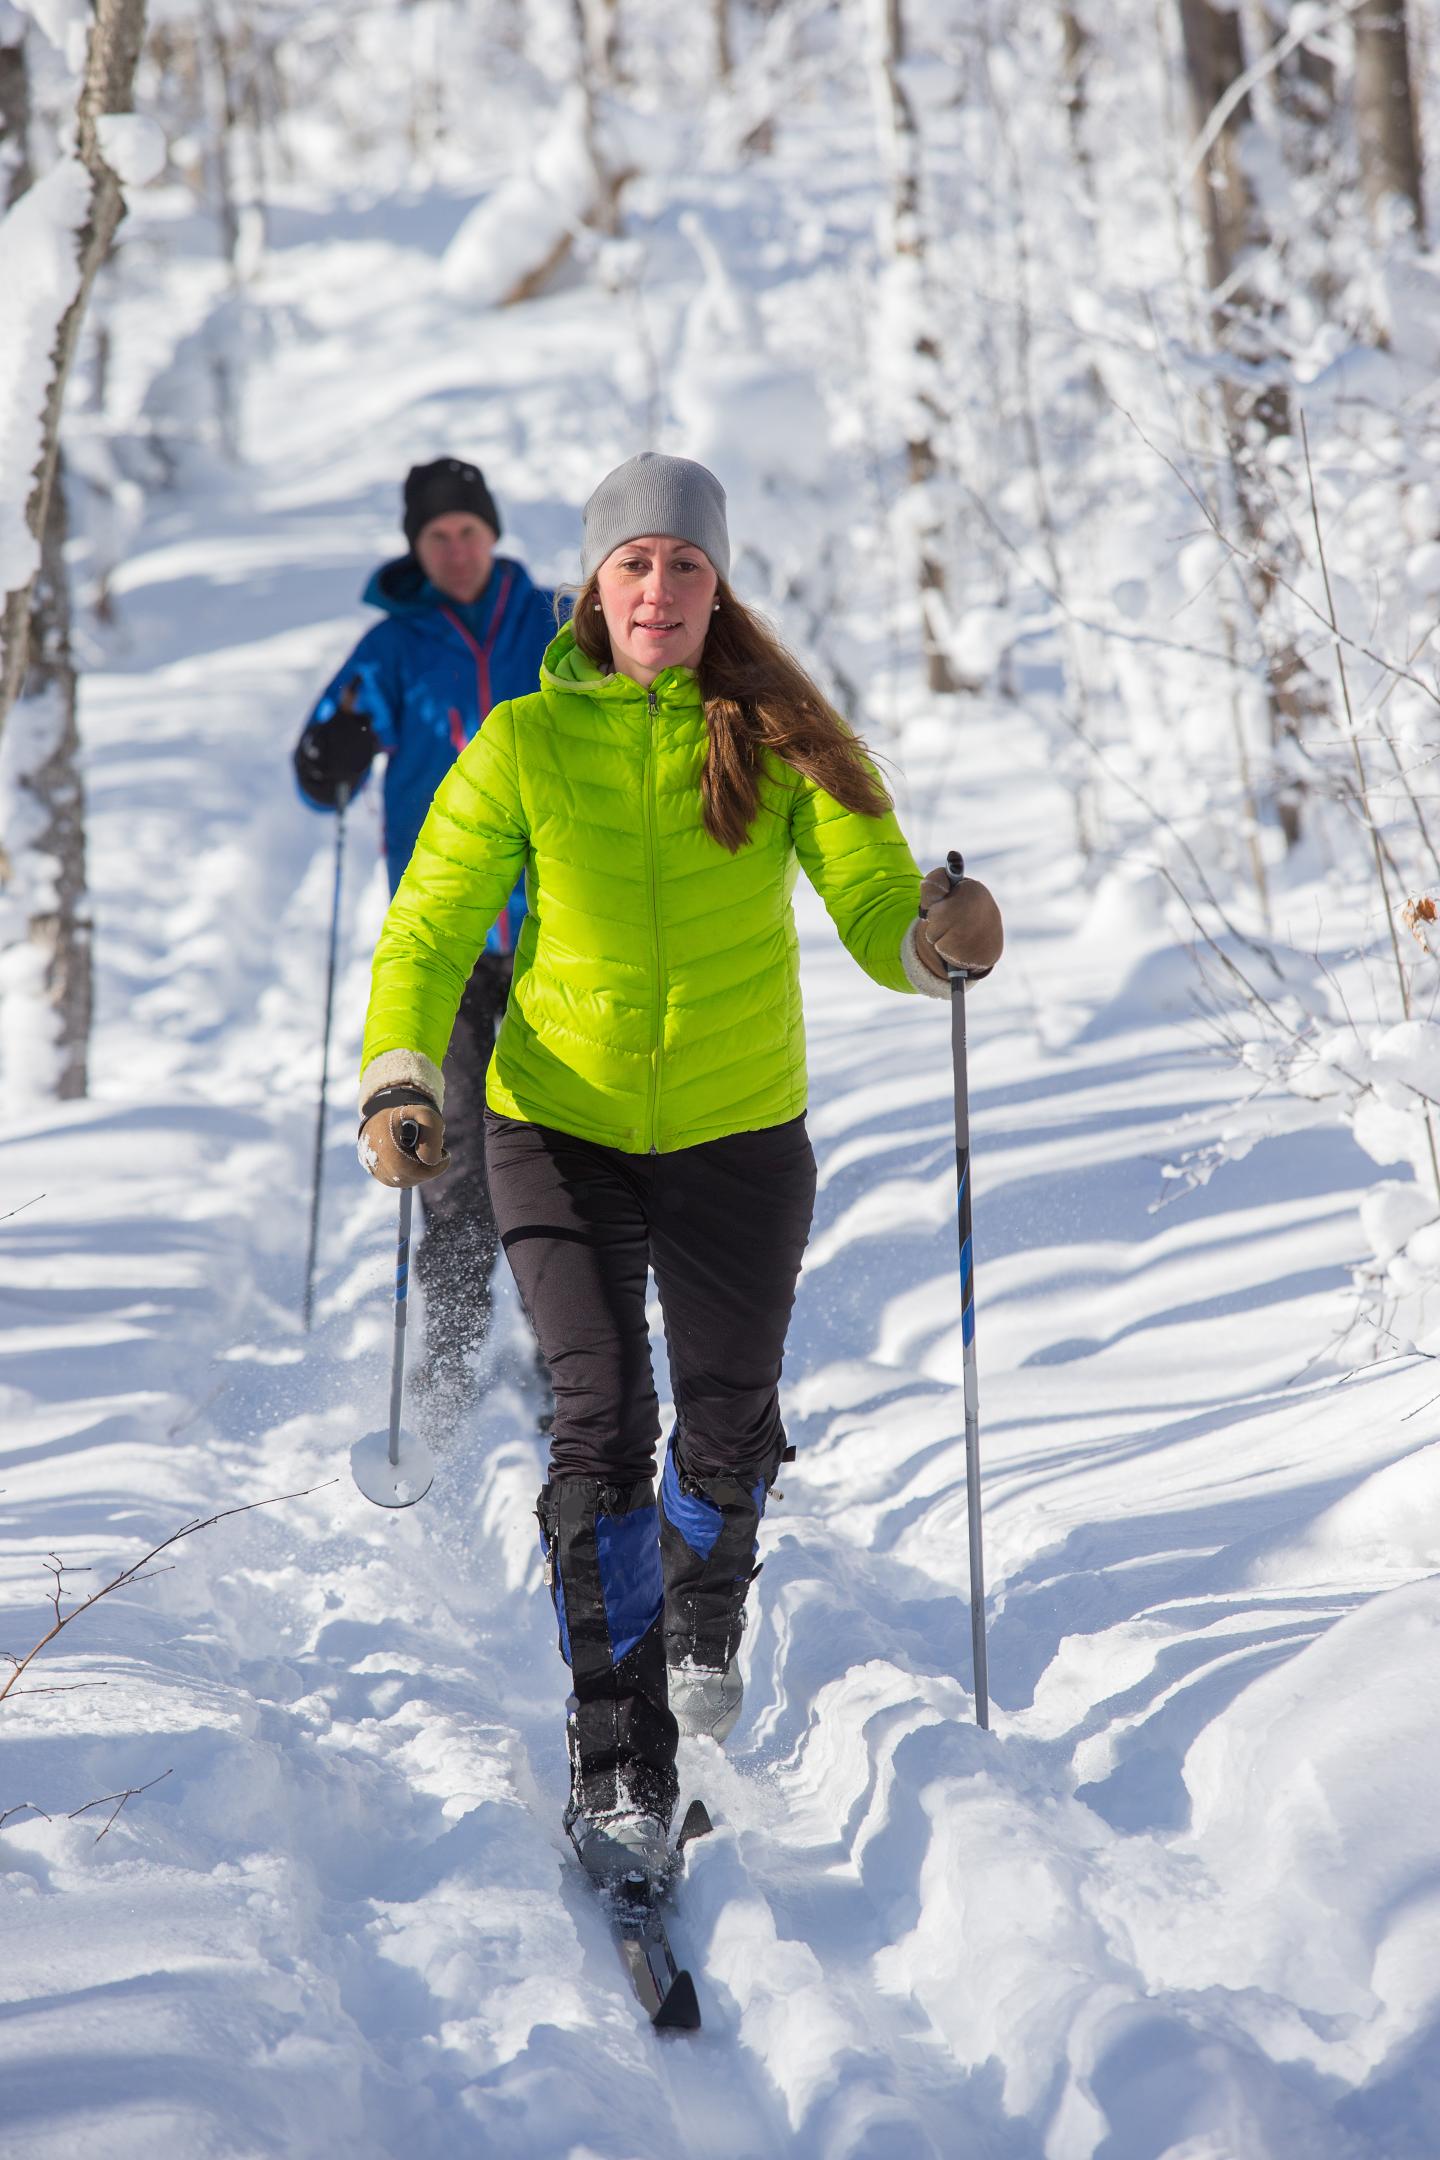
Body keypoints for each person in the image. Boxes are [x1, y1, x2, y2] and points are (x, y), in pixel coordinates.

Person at [353, 451, 1003, 1886]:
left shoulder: (780, 735)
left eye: (686, 566)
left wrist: (932, 939)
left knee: (723, 1416)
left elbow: (876, 897)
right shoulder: (524, 741)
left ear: (718, 588)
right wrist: (402, 1070)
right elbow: (429, 924)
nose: (659, 588)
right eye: (635, 564)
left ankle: (711, 1580)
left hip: (737, 1133)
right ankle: (619, 1763)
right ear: (593, 584)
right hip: (553, 1127)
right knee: (599, 1425)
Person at [294, 457, 554, 1407]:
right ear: (416, 547)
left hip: (549, 932)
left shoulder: (553, 625)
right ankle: (449, 1355)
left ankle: (561, 1348)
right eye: (436, 537)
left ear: (492, 535)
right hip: (441, 937)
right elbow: (321, 760)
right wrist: (332, 758)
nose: (454, 550)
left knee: (549, 1144)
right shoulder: (391, 647)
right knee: (442, 1151)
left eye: (468, 533)